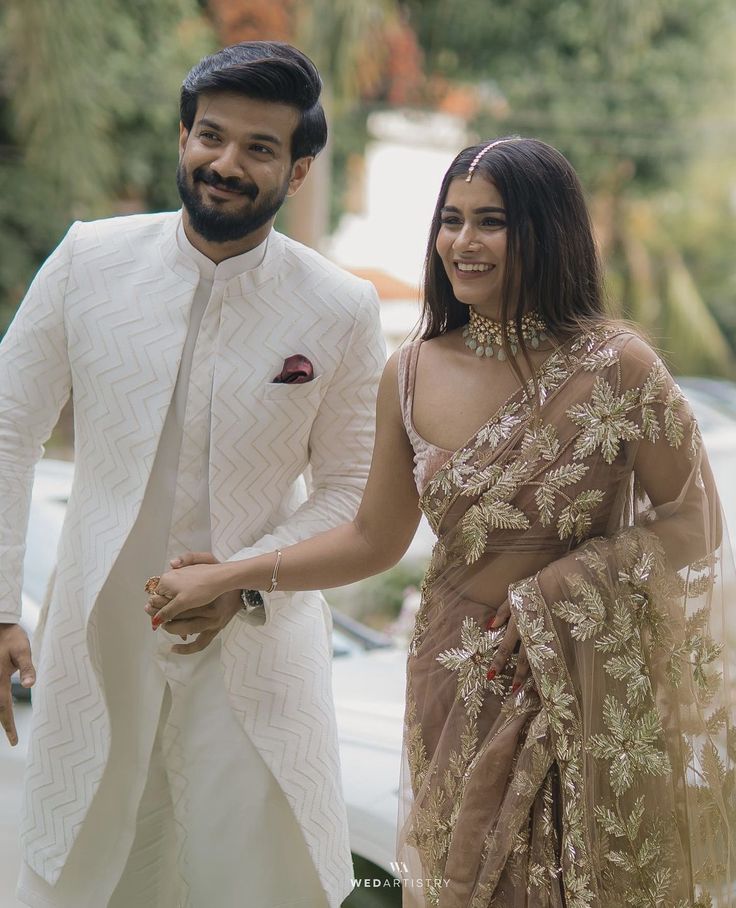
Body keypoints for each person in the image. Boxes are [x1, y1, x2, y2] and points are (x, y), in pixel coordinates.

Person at [149, 137, 736, 906]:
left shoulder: (618, 367)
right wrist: (235, 573)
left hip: (584, 686)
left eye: (490, 221)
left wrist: (558, 591)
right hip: (458, 681)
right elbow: (372, 538)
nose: (463, 242)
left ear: (546, 231)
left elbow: (696, 523)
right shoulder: (412, 369)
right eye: (451, 220)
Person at [0, 41, 386, 908]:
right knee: (84, 871)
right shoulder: (87, 262)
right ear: (182, 138)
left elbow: (350, 490)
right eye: (211, 136)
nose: (226, 163)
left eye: (259, 147)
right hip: (98, 633)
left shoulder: (340, 306)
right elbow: (7, 426)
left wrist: (244, 581)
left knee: (255, 880)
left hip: (259, 644)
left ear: (297, 171)